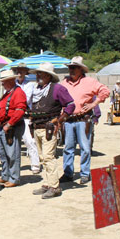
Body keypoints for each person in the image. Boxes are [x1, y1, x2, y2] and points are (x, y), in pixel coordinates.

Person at [60, 56, 110, 185]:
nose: (71, 70)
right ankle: (68, 173)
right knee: (68, 148)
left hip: (83, 119)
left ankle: (85, 173)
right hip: (69, 120)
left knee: (85, 148)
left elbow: (105, 91)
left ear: (81, 69)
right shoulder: (64, 82)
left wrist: (94, 104)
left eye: (74, 67)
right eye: (70, 67)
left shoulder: (90, 82)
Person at [28, 63, 75, 198]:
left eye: (40, 73)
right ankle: (48, 183)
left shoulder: (57, 89)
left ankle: (55, 187)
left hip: (49, 128)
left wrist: (59, 120)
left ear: (48, 76)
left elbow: (70, 105)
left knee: (48, 157)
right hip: (37, 127)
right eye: (37, 74)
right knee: (43, 157)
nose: (38, 76)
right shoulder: (37, 90)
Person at [0, 68, 26, 188]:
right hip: (5, 126)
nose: (2, 84)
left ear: (11, 81)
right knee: (3, 153)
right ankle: (5, 175)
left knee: (12, 153)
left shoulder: (18, 92)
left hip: (12, 127)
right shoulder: (9, 93)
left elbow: (20, 110)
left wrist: (9, 124)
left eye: (4, 81)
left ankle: (14, 178)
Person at [14, 65, 41, 174]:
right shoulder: (13, 84)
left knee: (29, 141)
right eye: (18, 71)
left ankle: (35, 164)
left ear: (26, 73)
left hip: (24, 115)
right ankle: (15, 166)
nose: (19, 73)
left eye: (22, 71)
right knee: (14, 142)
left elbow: (26, 99)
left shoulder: (30, 85)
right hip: (14, 115)